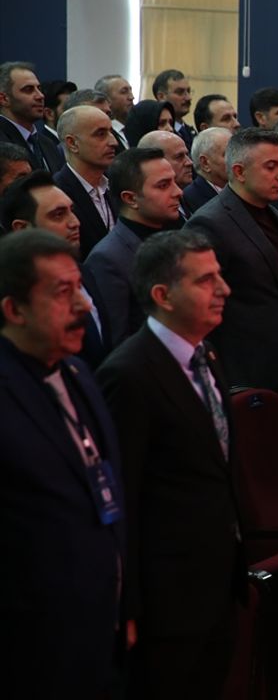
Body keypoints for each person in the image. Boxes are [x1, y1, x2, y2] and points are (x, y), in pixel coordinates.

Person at [95, 229, 243, 699]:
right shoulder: (128, 375)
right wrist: (128, 605)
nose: (224, 289)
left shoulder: (206, 352)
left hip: (216, 581)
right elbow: (123, 500)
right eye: (205, 280)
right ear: (162, 295)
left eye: (219, 276)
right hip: (166, 600)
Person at [0, 229, 125, 698]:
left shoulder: (76, 370)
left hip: (101, 628)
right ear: (14, 310)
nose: (83, 305)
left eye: (80, 288)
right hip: (34, 648)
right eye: (61, 292)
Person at [187, 128, 278, 392]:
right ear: (239, 172)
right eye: (270, 167)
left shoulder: (273, 212)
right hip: (241, 372)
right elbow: (200, 307)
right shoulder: (208, 223)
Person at [1, 170, 111, 367]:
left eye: (72, 211)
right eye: (58, 215)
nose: (75, 223)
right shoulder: (16, 293)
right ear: (22, 228)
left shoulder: (83, 271)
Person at [84, 147, 184, 346]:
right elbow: (119, 342)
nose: (178, 192)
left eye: (174, 182)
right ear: (130, 199)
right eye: (163, 185)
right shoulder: (107, 259)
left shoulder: (178, 235)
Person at [53, 105, 119, 256]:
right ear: (72, 143)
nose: (113, 142)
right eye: (101, 134)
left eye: (111, 132)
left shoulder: (115, 185)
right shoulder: (58, 192)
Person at [1, 61, 65, 173]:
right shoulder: (2, 142)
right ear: (4, 99)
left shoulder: (48, 144)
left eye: (39, 88)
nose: (40, 96)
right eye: (28, 89)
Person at [137, 130, 196, 220]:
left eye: (187, 155)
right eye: (179, 157)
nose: (189, 162)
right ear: (157, 162)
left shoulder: (192, 197)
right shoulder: (155, 214)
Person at [184, 127, 231, 213]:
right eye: (229, 154)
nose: (238, 159)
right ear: (205, 163)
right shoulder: (190, 198)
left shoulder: (243, 187)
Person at [152, 69, 194, 148]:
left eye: (188, 91)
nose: (188, 98)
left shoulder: (192, 133)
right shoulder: (156, 135)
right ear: (161, 97)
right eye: (180, 92)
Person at [95, 74, 135, 147]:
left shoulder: (137, 129)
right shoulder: (100, 134)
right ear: (106, 99)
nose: (131, 97)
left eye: (130, 91)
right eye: (124, 92)